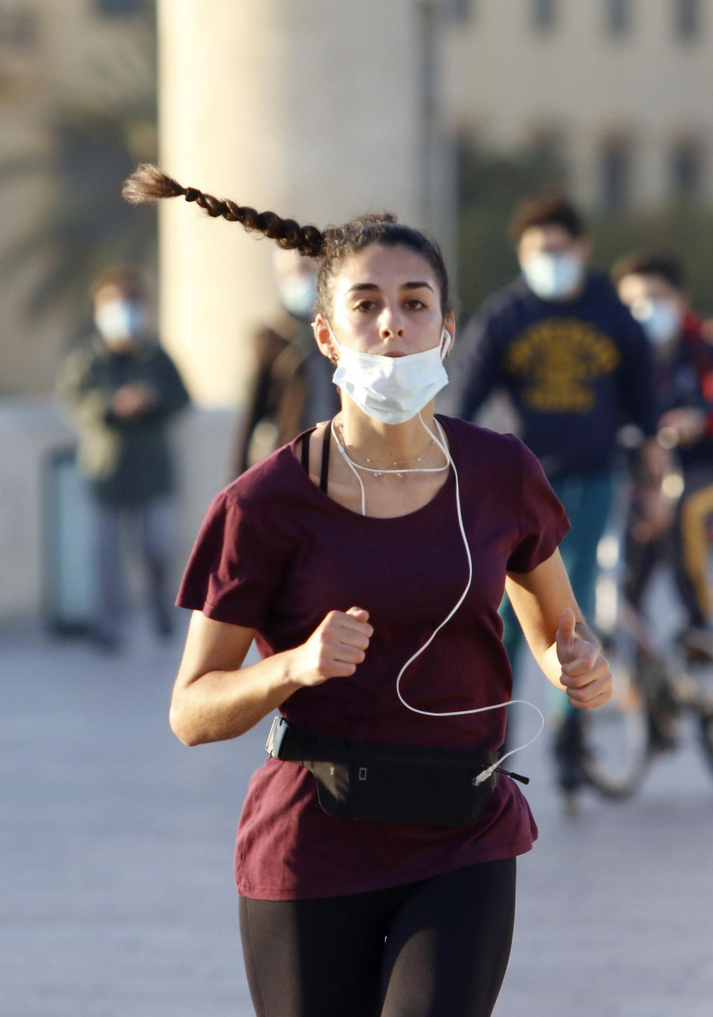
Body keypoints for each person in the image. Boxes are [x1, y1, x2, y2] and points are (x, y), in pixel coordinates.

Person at [124, 164, 611, 1017]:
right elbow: (191, 711)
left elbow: (553, 621)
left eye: (416, 304)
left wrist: (578, 664)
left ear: (448, 328)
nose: (393, 326)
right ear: (325, 333)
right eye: (367, 305)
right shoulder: (262, 504)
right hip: (314, 843)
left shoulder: (501, 474)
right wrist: (295, 668)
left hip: (465, 830)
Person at [456, 193, 657, 796]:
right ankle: (491, 741)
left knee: (568, 611)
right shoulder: (504, 315)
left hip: (593, 478)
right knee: (507, 618)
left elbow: (644, 399)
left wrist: (652, 473)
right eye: (537, 250)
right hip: (520, 486)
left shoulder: (610, 312)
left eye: (558, 249)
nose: (549, 260)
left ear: (582, 249)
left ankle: (572, 736)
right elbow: (464, 403)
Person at [612, 251, 713, 633]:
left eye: (656, 297)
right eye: (631, 302)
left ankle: (700, 622)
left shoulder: (703, 350)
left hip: (710, 471)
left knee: (683, 510)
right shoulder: (618, 357)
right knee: (632, 540)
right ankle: (633, 631)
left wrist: (699, 419)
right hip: (644, 476)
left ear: (681, 301)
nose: (644, 309)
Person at [55, 268, 192, 652]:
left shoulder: (156, 356)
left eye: (128, 304)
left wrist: (152, 400)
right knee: (105, 557)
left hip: (152, 474)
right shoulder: (88, 360)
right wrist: (110, 405)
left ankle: (161, 610)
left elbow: (182, 398)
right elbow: (73, 401)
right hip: (105, 474)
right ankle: (109, 627)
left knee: (157, 549)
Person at [234, 248, 341, 473]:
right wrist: (239, 473)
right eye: (294, 272)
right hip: (290, 454)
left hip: (338, 453)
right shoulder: (272, 337)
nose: (302, 279)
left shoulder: (339, 335)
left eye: (307, 270)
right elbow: (254, 408)